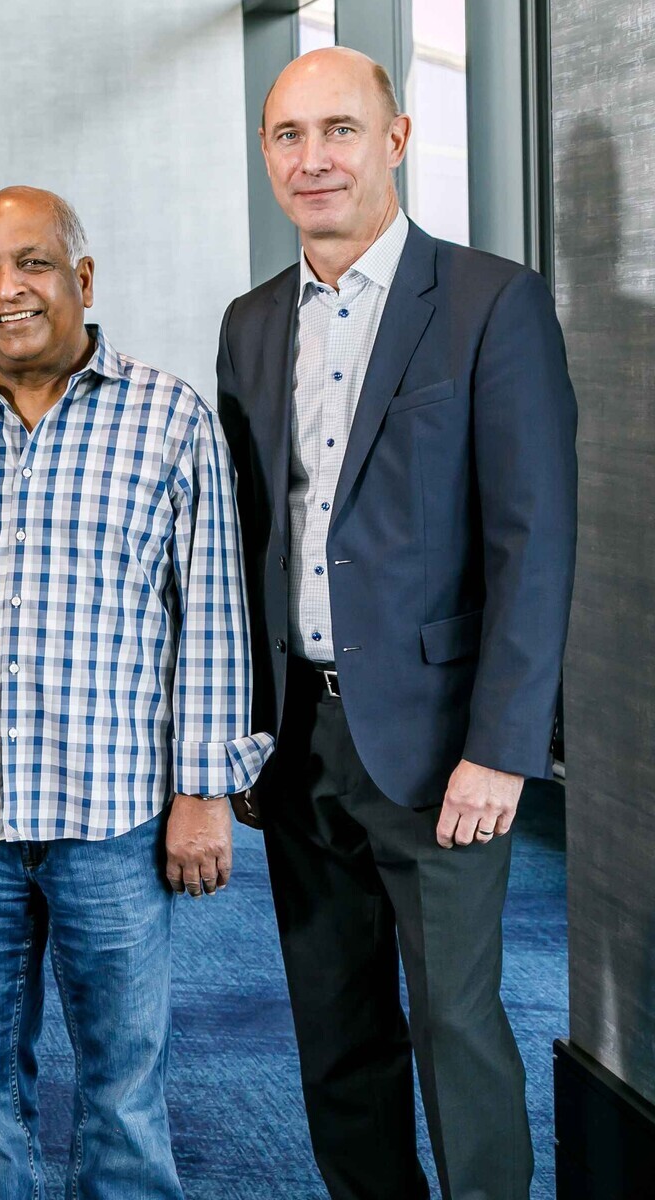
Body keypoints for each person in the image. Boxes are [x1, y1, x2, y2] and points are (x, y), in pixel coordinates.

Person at [217, 48, 577, 1199]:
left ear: (399, 139)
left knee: (459, 1032)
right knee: (336, 1036)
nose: (313, 158)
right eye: (287, 136)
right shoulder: (251, 322)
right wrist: (235, 733)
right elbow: (247, 544)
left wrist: (504, 748)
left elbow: (534, 540)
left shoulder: (490, 301)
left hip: (442, 750)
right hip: (298, 740)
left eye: (339, 130)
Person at [0, 186, 271, 1198]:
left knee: (122, 1081)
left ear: (83, 280)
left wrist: (203, 790)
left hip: (115, 817)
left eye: (32, 264)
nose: (7, 289)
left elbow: (215, 618)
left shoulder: (169, 415)